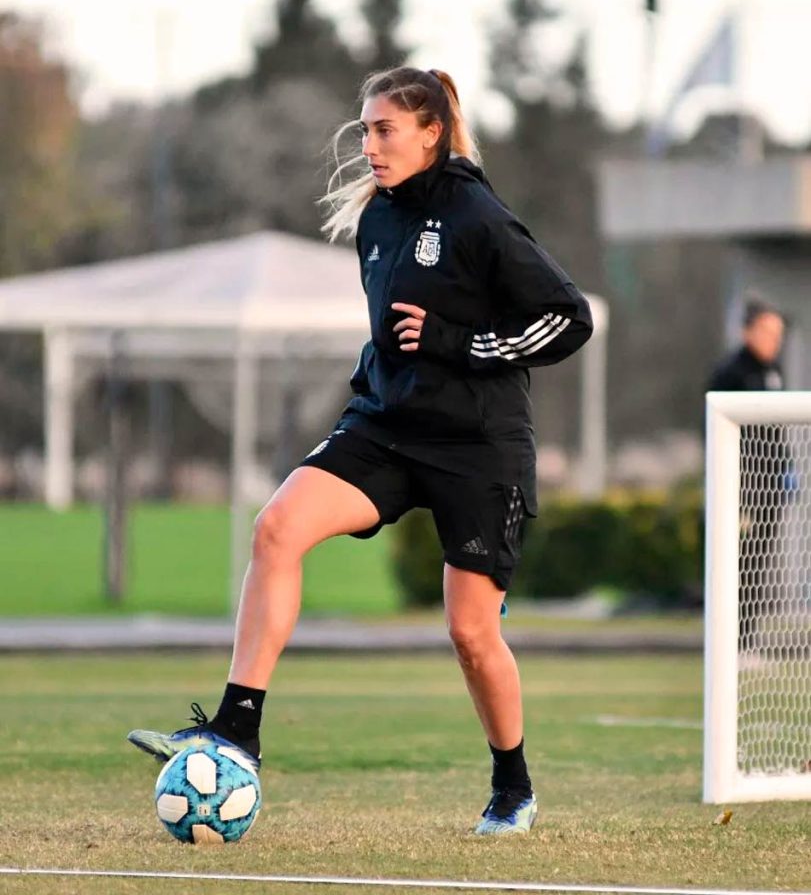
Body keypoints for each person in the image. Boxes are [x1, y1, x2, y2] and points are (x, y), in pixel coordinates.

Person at [128, 66, 593, 835]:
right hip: (385, 427)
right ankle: (236, 727)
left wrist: (457, 342)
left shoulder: (477, 216)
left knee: (471, 634)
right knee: (277, 527)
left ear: (431, 132)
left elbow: (566, 319)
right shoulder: (376, 219)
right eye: (366, 129)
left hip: (477, 447)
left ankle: (511, 784)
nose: (368, 145)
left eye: (384, 129)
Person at [707, 298, 789, 654]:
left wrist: (786, 466)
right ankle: (730, 645)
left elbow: (775, 430)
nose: (774, 340)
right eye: (767, 332)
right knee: (736, 563)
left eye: (778, 334)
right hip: (741, 486)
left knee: (760, 563)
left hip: (771, 483)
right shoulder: (730, 373)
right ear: (747, 331)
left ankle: (749, 642)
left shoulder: (775, 370)